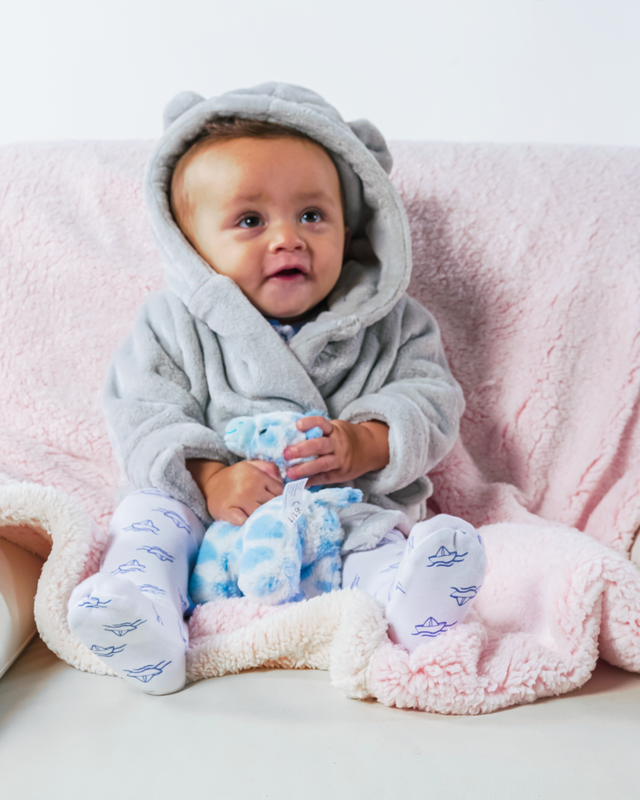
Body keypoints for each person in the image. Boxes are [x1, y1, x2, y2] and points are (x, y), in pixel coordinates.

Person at [68, 83, 487, 694]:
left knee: (379, 542)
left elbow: (430, 397)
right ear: (191, 246)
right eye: (250, 220)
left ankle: (413, 610)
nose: (288, 237)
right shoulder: (171, 321)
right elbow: (143, 414)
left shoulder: (395, 324)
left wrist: (366, 442)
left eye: (312, 215)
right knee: (149, 520)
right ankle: (145, 619)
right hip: (204, 514)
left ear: (351, 225)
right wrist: (211, 480)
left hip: (339, 510)